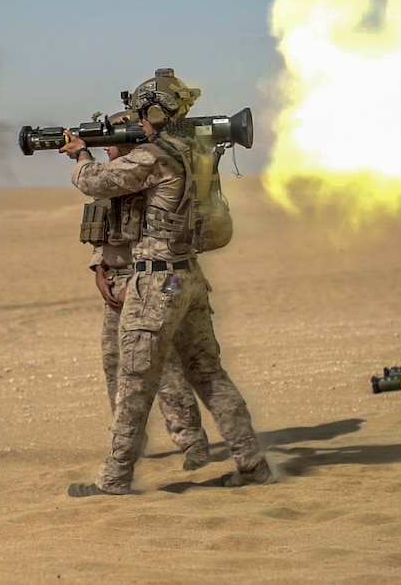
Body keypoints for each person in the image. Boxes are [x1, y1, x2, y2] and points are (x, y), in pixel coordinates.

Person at [60, 68, 274, 497]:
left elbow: (96, 183)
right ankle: (252, 465)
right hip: (186, 277)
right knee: (209, 375)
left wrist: (82, 153)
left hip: (157, 283)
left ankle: (115, 479)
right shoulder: (194, 149)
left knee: (135, 380)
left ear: (154, 114)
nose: (138, 122)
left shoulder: (156, 155)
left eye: (142, 114)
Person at [85, 141, 210, 472]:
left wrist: (133, 286)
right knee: (114, 364)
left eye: (110, 144)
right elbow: (101, 235)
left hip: (145, 285)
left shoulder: (147, 185)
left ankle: (192, 440)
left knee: (163, 368)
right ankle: (128, 444)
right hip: (114, 284)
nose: (106, 149)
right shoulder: (110, 185)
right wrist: (100, 271)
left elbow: (154, 245)